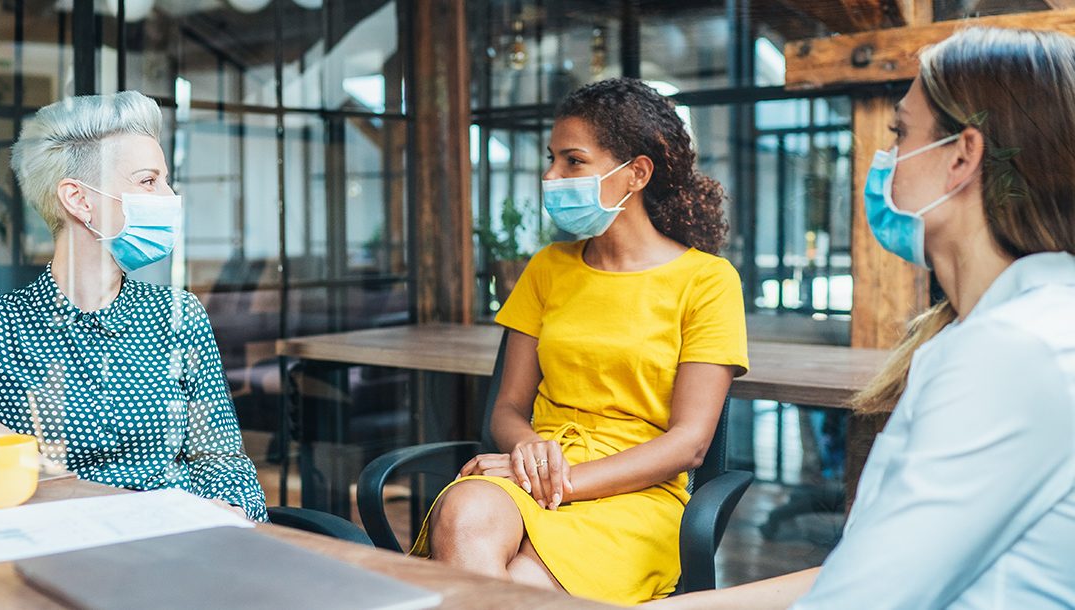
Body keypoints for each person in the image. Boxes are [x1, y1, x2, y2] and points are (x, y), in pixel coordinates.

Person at [659, 26, 1075, 609]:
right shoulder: (985, 331)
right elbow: (859, 573)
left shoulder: (1014, 353)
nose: (883, 161)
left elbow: (859, 599)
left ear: (962, 156)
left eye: (901, 133)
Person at [408, 78, 749, 605]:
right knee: (464, 512)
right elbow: (508, 407)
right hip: (534, 470)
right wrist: (527, 453)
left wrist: (559, 481)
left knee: (518, 585)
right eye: (551, 159)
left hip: (635, 495)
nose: (551, 176)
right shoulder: (548, 268)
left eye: (573, 161)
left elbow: (690, 444)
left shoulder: (708, 281)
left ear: (636, 173)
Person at [0, 91, 268, 521]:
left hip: (173, 547)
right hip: (53, 547)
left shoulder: (177, 315)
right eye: (148, 181)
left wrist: (232, 512)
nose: (169, 197)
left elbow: (221, 455)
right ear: (79, 200)